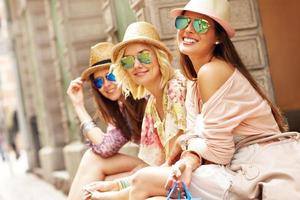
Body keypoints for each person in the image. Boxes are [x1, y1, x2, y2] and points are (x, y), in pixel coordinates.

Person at [128, 0, 300, 199]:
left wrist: (187, 155)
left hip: (259, 169)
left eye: (201, 25)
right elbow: (195, 134)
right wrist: (187, 153)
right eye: (183, 22)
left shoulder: (213, 71)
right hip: (237, 166)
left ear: (218, 37)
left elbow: (219, 151)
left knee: (142, 181)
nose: (189, 29)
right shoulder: (193, 82)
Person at [83, 21, 187, 200]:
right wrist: (115, 185)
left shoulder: (175, 89)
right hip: (170, 178)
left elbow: (173, 165)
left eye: (144, 57)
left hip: (193, 175)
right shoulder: (152, 106)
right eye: (128, 60)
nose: (137, 65)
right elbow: (155, 166)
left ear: (159, 56)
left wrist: (114, 193)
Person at [66, 42, 147, 200]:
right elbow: (106, 148)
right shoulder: (123, 110)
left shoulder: (144, 95)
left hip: (166, 165)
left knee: (93, 163)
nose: (106, 84)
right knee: (97, 179)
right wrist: (79, 107)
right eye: (99, 82)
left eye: (111, 76)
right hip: (149, 165)